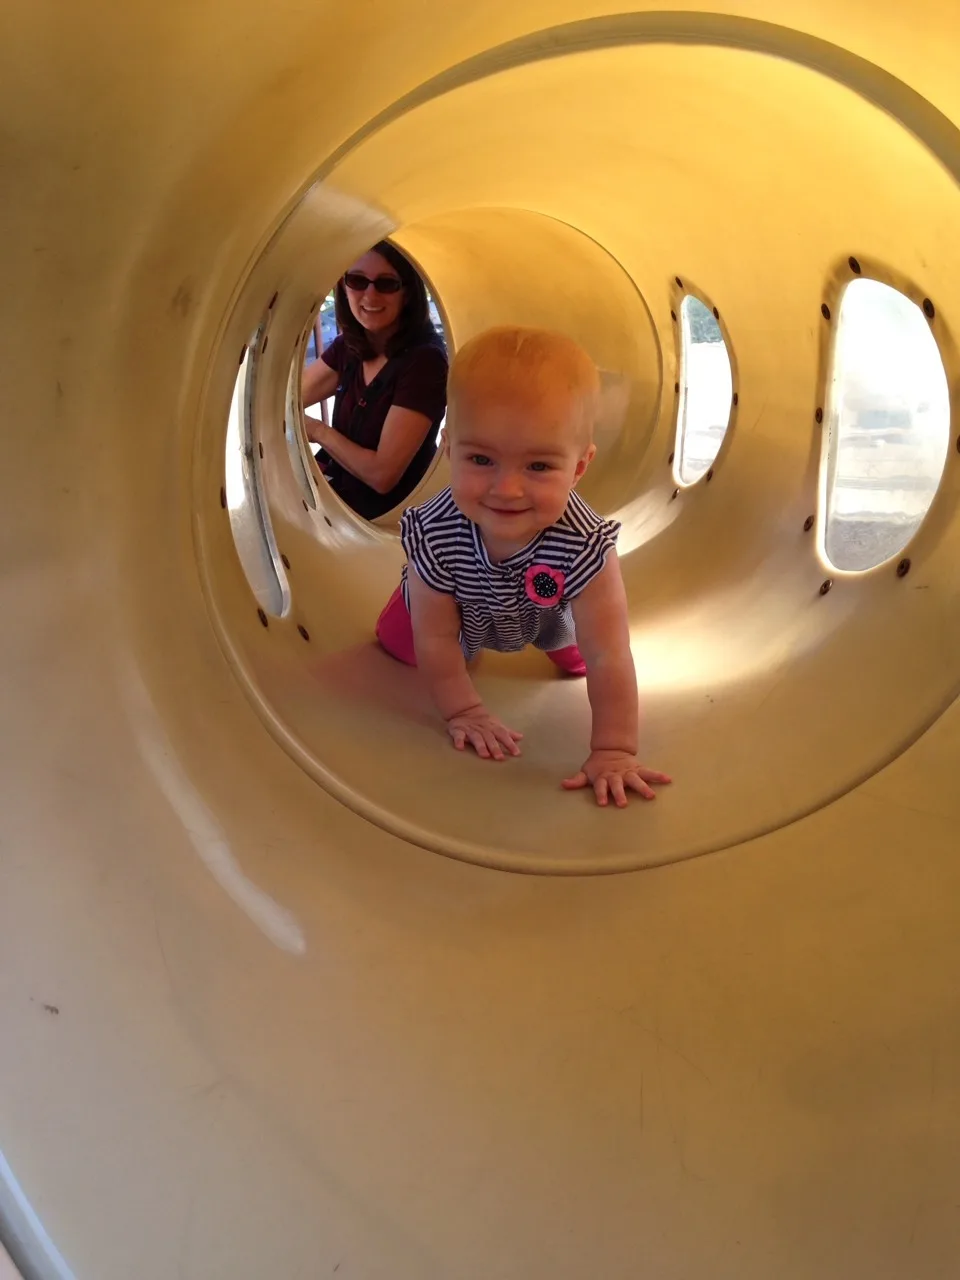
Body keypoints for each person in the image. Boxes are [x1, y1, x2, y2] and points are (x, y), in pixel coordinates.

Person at [375, 325, 671, 809]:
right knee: (401, 645)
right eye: (481, 459)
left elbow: (610, 654)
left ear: (579, 467)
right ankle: (459, 640)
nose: (506, 489)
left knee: (582, 660)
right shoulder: (433, 532)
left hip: (545, 613)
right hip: (458, 605)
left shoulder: (584, 544)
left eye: (538, 467)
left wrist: (614, 750)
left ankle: (553, 642)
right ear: (448, 448)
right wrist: (464, 710)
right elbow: (435, 639)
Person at [302, 241, 448, 520]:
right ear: (344, 287)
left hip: (388, 519)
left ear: (407, 293)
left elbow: (382, 476)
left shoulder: (425, 362)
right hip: (339, 502)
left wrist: (319, 431)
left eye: (386, 284)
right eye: (357, 281)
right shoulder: (351, 345)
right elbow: (288, 398)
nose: (370, 295)